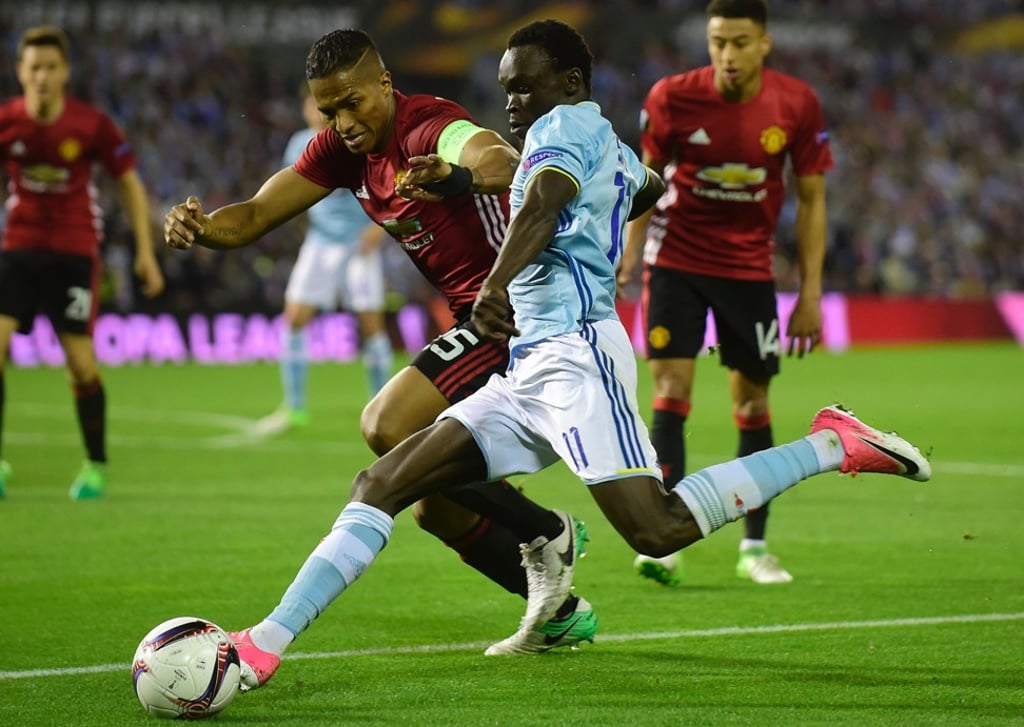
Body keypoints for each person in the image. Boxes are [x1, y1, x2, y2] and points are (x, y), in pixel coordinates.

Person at [184, 19, 930, 689]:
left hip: (570, 350)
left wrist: (488, 251)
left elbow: (526, 184)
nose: (510, 102)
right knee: (383, 479)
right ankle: (262, 644)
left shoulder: (552, 129)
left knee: (657, 526)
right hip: (529, 355)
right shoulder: (587, 132)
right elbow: (649, 185)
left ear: (566, 83)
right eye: (506, 89)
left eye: (521, 88)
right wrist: (604, 207)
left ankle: (833, 443)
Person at [164, 29, 597, 664]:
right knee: (434, 511)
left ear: (385, 85)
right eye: (328, 109)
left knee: (386, 426)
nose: (343, 121)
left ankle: (544, 530)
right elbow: (254, 215)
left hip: (516, 309)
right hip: (470, 316)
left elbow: (503, 160)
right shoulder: (342, 152)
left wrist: (456, 177)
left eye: (353, 103)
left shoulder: (429, 127)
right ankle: (558, 611)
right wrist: (202, 228)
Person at [618, 0, 833, 585]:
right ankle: (663, 541)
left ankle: (754, 547)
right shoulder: (672, 97)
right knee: (669, 388)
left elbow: (813, 201)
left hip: (748, 271)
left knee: (753, 403)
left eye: (739, 42)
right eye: (718, 43)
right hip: (677, 261)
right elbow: (645, 177)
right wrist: (631, 254)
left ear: (763, 42)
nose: (728, 55)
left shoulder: (796, 103)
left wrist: (810, 296)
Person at [0, 25, 165, 500]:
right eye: (34, 68)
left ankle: (95, 464)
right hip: (19, 245)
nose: (43, 76)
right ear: (21, 72)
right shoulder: (8, 121)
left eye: (51, 67)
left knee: (79, 364)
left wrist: (144, 252)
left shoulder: (90, 124)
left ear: (65, 72)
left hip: (73, 251)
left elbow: (130, 182)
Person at [253, 84, 393, 436]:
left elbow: (387, 184)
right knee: (295, 318)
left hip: (360, 243)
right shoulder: (300, 144)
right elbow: (289, 191)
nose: (317, 112)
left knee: (371, 325)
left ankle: (383, 405)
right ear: (305, 109)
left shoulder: (357, 139)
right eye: (312, 105)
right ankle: (295, 407)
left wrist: (380, 228)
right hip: (320, 243)